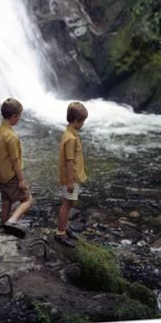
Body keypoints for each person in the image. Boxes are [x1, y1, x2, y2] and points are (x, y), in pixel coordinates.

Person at [0, 98, 34, 237]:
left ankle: (4, 228)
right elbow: (15, 160)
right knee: (28, 200)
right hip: (11, 175)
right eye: (19, 117)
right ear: (13, 116)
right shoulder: (11, 137)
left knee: (7, 201)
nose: (19, 120)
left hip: (0, 175)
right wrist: (21, 179)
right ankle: (12, 221)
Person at [54, 101, 89, 248]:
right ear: (75, 121)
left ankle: (65, 227)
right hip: (71, 177)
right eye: (82, 121)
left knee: (69, 203)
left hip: (73, 176)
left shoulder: (68, 133)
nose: (83, 124)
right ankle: (60, 233)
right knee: (67, 203)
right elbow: (69, 161)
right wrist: (69, 181)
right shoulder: (71, 139)